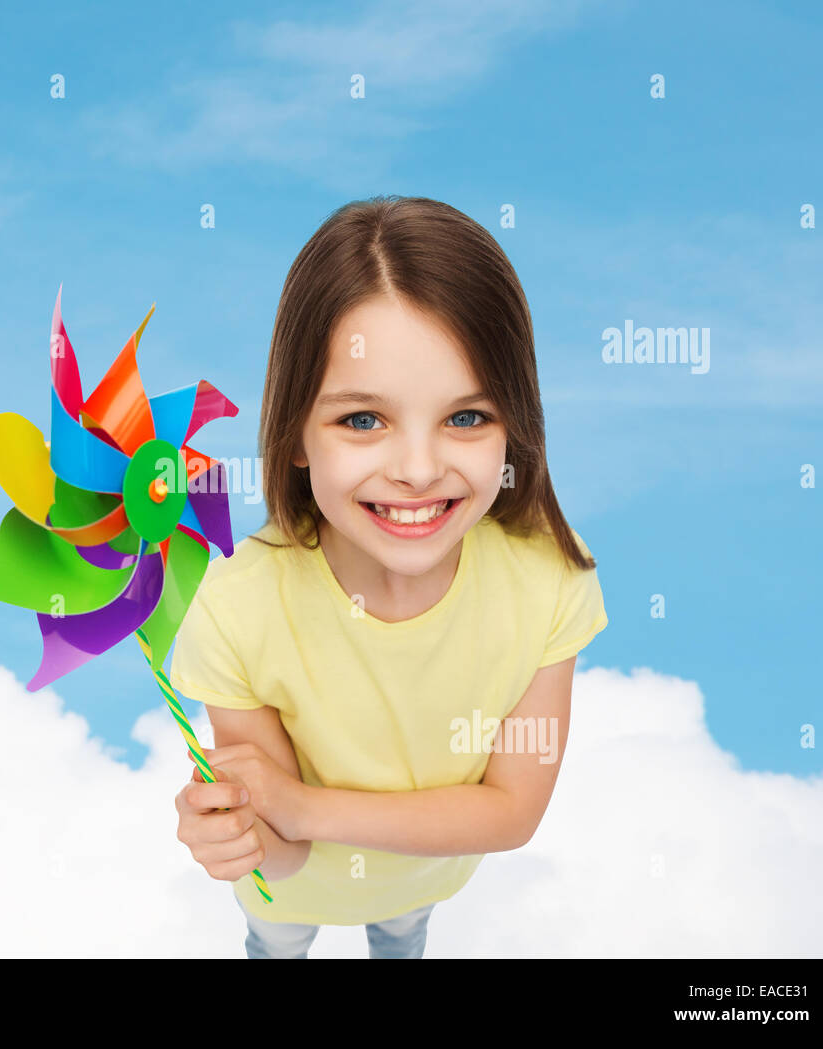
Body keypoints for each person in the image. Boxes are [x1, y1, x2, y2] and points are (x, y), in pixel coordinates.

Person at [170, 196, 609, 958]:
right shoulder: (235, 608)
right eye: (363, 420)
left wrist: (303, 804)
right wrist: (240, 831)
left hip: (427, 880)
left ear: (516, 423)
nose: (416, 469)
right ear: (296, 433)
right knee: (277, 936)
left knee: (404, 927)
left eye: (466, 417)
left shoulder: (548, 582)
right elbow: (289, 853)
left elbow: (511, 812)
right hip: (292, 892)